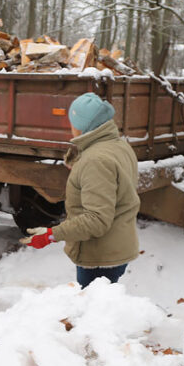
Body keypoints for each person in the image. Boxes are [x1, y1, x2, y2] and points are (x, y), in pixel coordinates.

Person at [20, 92, 140, 287]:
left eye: (73, 121)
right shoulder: (117, 145)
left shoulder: (96, 161)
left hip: (100, 257)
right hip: (115, 249)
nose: (71, 126)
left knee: (94, 313)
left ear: (83, 126)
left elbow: (97, 220)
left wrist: (52, 234)